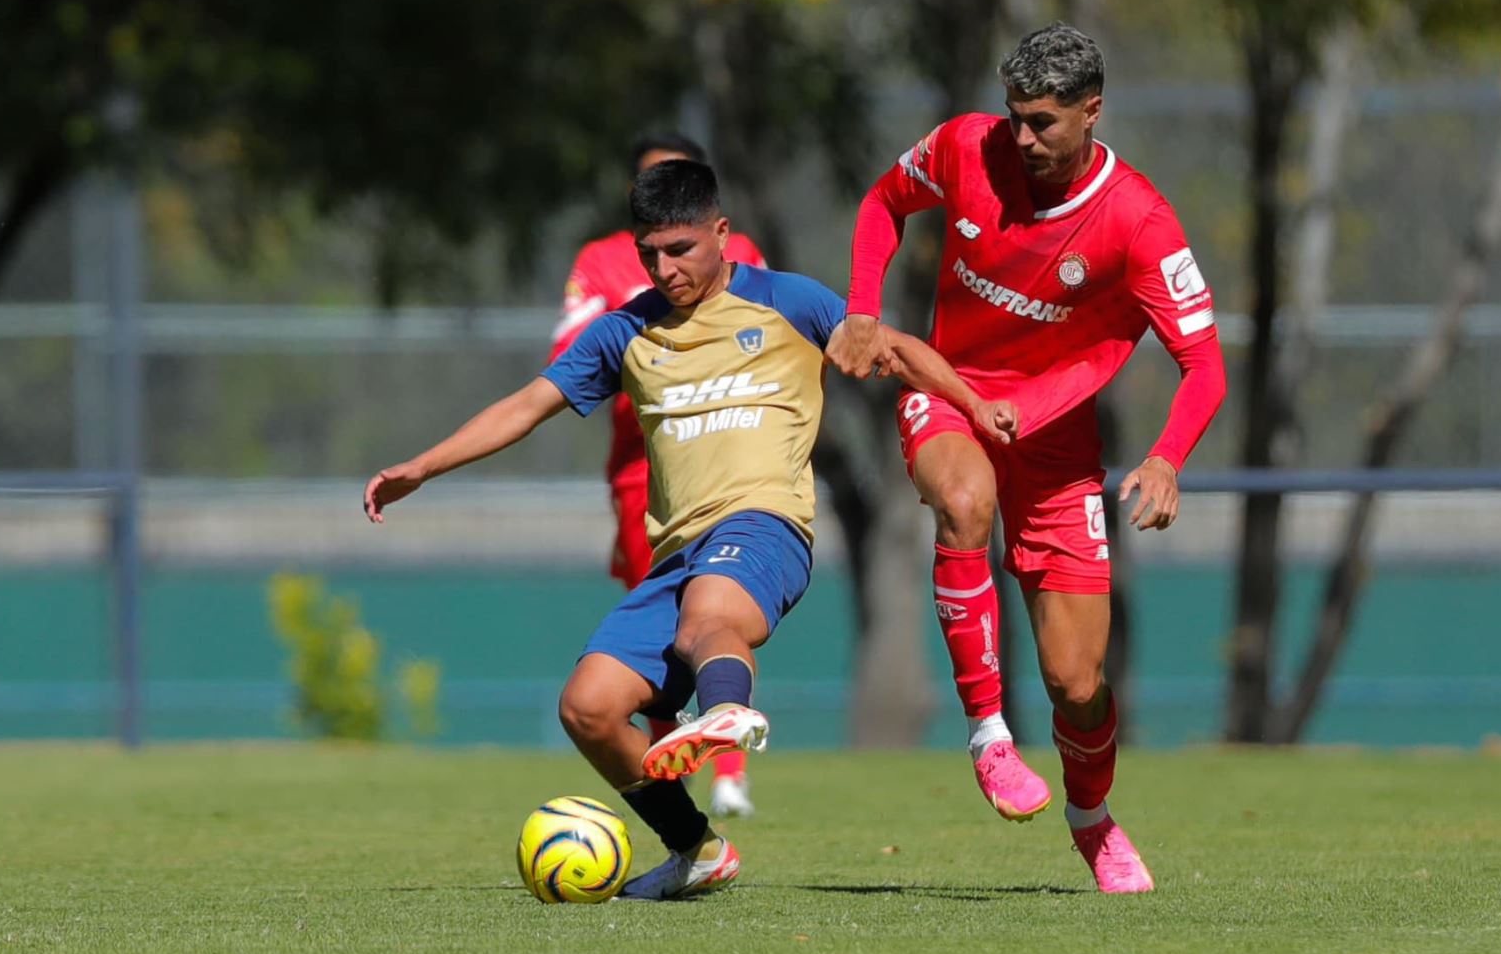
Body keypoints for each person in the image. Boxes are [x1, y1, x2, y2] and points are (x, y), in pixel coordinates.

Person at [366, 159, 1016, 900]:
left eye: (680, 249)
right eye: (649, 253)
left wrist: (972, 403)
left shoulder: (787, 301)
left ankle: (727, 707)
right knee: (589, 706)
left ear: (721, 233)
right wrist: (422, 466)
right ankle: (696, 848)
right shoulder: (626, 332)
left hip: (764, 526)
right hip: (676, 557)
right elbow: (525, 405)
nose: (664, 268)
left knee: (709, 618)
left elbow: (894, 348)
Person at [826, 23, 1227, 893]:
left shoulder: (1140, 221)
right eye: (1015, 116)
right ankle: (988, 735)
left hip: (1055, 437)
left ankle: (1094, 822)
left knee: (1077, 681)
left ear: (1092, 111)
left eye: (1043, 122)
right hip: (949, 389)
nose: (1022, 137)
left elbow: (1205, 363)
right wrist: (863, 307)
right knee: (962, 502)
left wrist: (1165, 458)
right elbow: (879, 205)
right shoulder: (965, 147)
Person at [549, 133, 768, 819]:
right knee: (656, 640)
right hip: (644, 470)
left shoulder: (745, 259)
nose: (666, 260)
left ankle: (728, 768)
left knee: (712, 610)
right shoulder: (603, 262)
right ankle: (675, 775)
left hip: (734, 466)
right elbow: (571, 350)